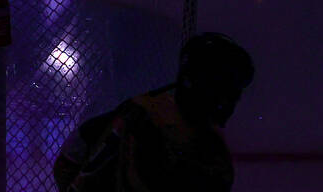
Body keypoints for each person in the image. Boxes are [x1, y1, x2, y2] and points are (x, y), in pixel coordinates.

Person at [53, 32, 254, 192]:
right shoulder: (148, 119)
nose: (229, 100)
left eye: (233, 91)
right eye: (223, 88)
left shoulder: (155, 114)